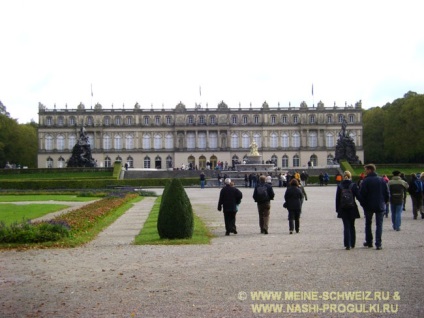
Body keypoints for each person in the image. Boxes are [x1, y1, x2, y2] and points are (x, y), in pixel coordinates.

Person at [359, 164, 389, 250]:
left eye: (366, 170)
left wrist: (363, 204)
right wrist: (385, 202)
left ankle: (369, 242)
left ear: (369, 170)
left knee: (368, 224)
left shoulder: (366, 181)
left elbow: (362, 194)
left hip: (368, 205)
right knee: (379, 225)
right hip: (380, 204)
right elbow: (386, 193)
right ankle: (378, 243)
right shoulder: (381, 180)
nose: (365, 172)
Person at [335, 171, 362, 250]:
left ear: (343, 176)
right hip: (352, 207)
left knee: (346, 226)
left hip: (343, 208)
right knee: (352, 226)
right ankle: (352, 243)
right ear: (350, 176)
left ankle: (347, 244)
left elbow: (337, 199)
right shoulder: (353, 185)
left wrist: (337, 209)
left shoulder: (340, 186)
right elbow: (358, 196)